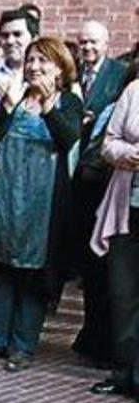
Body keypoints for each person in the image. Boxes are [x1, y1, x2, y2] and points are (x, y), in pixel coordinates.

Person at [0, 37, 82, 371]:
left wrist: (46, 105)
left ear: (60, 68)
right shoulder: (15, 98)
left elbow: (68, 137)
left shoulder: (68, 101)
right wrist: (6, 105)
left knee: (33, 276)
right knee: (0, 269)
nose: (34, 67)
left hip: (43, 202)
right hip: (6, 196)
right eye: (31, 60)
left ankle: (23, 346)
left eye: (43, 61)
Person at [70, 21, 128, 364]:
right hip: (75, 179)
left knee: (103, 264)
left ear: (107, 43)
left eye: (92, 41)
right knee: (85, 260)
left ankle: (104, 339)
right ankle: (89, 333)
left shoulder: (120, 74)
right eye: (82, 42)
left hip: (104, 181)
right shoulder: (74, 71)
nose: (87, 47)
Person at [89, 67, 139, 403]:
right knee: (124, 295)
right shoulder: (134, 91)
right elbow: (108, 143)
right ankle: (123, 372)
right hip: (128, 209)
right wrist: (127, 155)